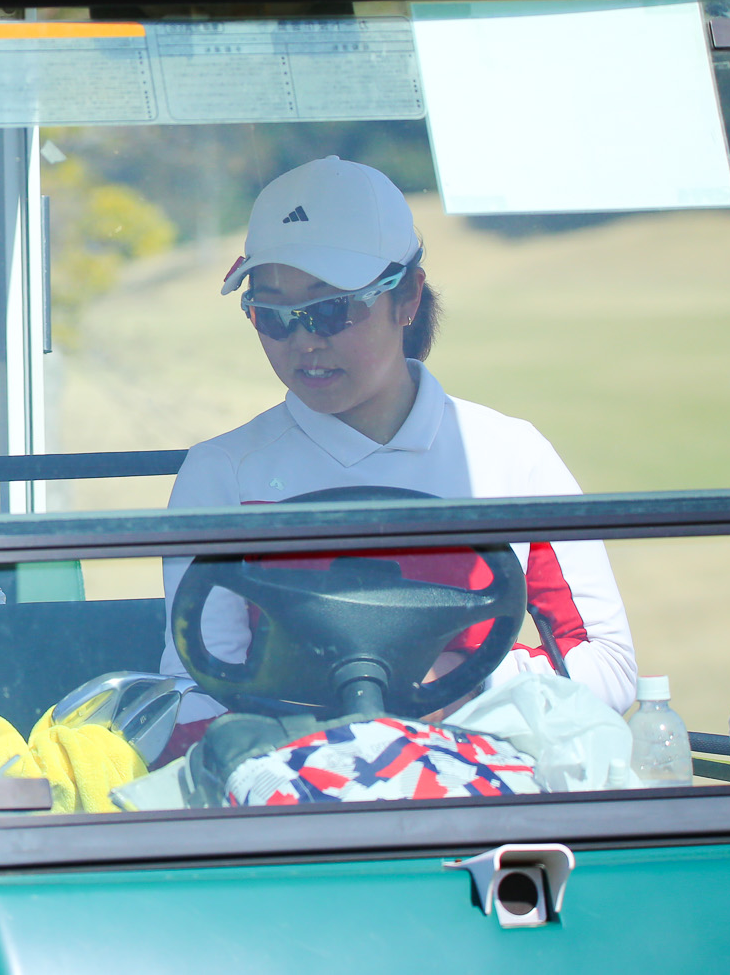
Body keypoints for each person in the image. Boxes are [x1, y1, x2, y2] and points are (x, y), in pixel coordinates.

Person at [157, 156, 636, 760]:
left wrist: (461, 684)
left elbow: (609, 666)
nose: (305, 340)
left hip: (484, 781)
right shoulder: (221, 474)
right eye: (272, 316)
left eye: (330, 309)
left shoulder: (511, 456)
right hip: (297, 790)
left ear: (406, 296)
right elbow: (196, 686)